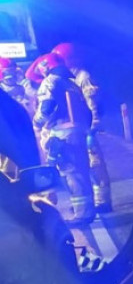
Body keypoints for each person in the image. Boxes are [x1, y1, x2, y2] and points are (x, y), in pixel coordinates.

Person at [31, 52, 94, 225]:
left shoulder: (50, 81)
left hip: (62, 134)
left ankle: (82, 215)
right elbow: (87, 111)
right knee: (81, 172)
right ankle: (85, 211)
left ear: (45, 67)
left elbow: (47, 106)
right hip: (76, 132)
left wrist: (36, 124)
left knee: (71, 174)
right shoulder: (70, 83)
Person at [51, 43, 112, 212]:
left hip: (86, 129)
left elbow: (92, 104)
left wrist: (92, 128)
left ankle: (103, 202)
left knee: (95, 164)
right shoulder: (68, 78)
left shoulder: (83, 77)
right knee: (80, 167)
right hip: (77, 130)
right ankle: (89, 203)